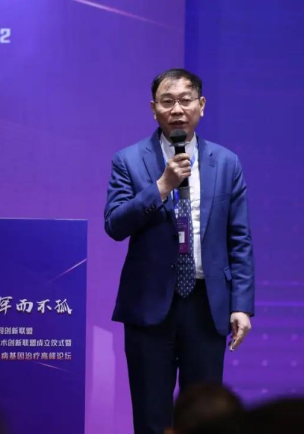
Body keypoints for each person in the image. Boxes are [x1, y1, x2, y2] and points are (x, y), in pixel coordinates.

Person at [104, 68, 255, 434]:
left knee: (205, 418)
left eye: (185, 100)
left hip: (206, 304)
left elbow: (239, 238)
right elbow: (115, 225)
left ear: (201, 105)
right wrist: (161, 186)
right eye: (167, 101)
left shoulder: (226, 162)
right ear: (153, 108)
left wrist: (241, 305)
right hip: (149, 306)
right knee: (151, 416)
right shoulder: (128, 160)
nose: (176, 110)